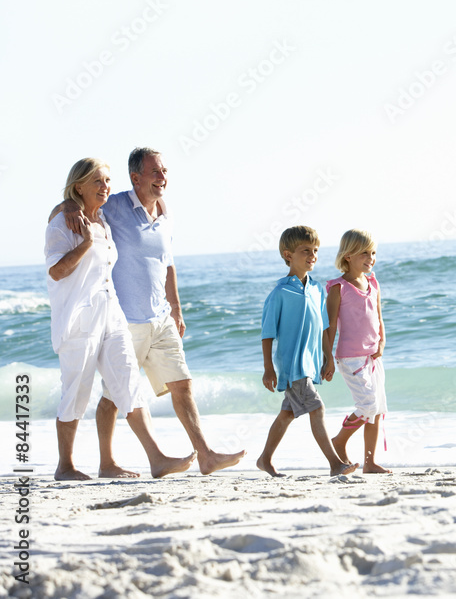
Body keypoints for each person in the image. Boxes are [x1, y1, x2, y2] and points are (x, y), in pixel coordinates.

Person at [50, 147, 244, 477]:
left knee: (178, 384)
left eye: (164, 171)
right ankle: (96, 463)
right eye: (155, 172)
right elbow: (71, 213)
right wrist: (68, 202)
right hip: (121, 319)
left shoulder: (161, 214)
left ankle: (202, 455)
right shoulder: (113, 207)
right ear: (136, 177)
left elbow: (166, 263)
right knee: (108, 397)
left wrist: (176, 308)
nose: (162, 177)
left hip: (157, 316)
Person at [256, 226, 358, 478]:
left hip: (310, 364)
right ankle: (336, 464)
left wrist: (328, 356)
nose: (312, 256)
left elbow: (324, 327)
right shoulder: (279, 293)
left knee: (287, 413)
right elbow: (267, 332)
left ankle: (264, 459)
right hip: (292, 365)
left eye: (315, 251)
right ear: (288, 254)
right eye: (305, 251)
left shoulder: (316, 289)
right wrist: (269, 367)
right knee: (317, 407)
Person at [322, 228, 390, 474]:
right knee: (368, 405)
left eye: (373, 253)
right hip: (350, 358)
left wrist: (381, 342)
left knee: (377, 411)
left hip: (373, 357)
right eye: (365, 253)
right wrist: (327, 359)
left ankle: (370, 462)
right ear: (348, 255)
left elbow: (379, 318)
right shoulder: (338, 288)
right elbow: (328, 328)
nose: (371, 258)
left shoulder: (373, 282)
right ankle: (339, 441)